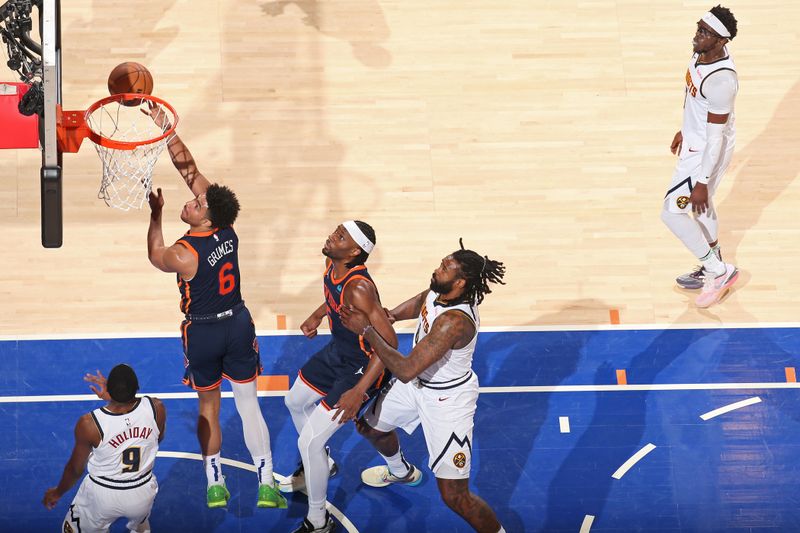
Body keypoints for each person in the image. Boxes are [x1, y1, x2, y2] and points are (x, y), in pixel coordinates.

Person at [144, 107, 286, 509]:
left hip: (203, 332)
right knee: (248, 405)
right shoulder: (226, 227)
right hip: (238, 324)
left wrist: (155, 216)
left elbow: (156, 254)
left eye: (196, 205)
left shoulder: (186, 253)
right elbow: (190, 171)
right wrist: (167, 131)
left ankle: (215, 483)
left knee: (208, 405)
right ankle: (265, 482)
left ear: (205, 219)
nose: (192, 202)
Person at [339, 240, 507, 533]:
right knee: (370, 427)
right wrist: (390, 315)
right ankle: (401, 472)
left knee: (455, 497)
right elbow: (423, 300)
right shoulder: (443, 290)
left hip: (447, 400)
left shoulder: (453, 322)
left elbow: (404, 369)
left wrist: (368, 329)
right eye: (441, 263)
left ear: (460, 282)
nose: (437, 269)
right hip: (418, 382)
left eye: (445, 268)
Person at [282, 221, 398, 533]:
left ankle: (318, 521)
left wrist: (360, 390)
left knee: (309, 443)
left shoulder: (360, 288)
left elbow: (389, 344)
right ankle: (325, 464)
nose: (333, 236)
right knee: (294, 401)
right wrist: (319, 314)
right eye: (336, 230)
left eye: (341, 236)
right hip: (339, 351)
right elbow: (334, 300)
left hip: (362, 367)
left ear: (355, 251)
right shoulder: (331, 266)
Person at [661, 5, 739, 308]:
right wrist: (684, 128)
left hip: (707, 151)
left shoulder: (722, 81)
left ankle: (719, 271)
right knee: (701, 212)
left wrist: (703, 182)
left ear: (722, 41)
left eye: (706, 33)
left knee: (672, 213)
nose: (698, 36)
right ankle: (712, 261)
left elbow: (716, 137)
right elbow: (692, 97)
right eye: (699, 29)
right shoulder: (700, 54)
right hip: (695, 140)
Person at [43, 364, 166, 533]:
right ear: (137, 388)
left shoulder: (89, 424)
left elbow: (75, 469)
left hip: (102, 495)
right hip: (142, 492)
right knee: (140, 525)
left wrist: (58, 492)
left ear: (109, 389)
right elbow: (157, 438)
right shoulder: (156, 408)